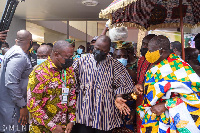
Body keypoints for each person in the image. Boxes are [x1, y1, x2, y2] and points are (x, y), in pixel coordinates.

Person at [72, 35, 142, 133]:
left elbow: (122, 84)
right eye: (96, 48)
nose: (98, 52)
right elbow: (72, 82)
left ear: (108, 50)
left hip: (105, 113)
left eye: (103, 51)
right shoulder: (80, 62)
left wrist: (118, 97)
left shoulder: (115, 65)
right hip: (84, 111)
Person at [137, 35, 200, 132]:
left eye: (150, 51)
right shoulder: (157, 66)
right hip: (154, 119)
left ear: (161, 51)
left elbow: (195, 97)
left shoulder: (180, 67)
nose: (148, 54)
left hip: (173, 121)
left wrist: (166, 104)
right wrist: (142, 87)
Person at [27, 40, 76, 133]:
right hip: (42, 129)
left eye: (71, 56)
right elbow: (32, 104)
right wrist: (52, 127)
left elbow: (72, 95)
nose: (70, 59)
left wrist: (71, 120)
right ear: (56, 55)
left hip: (63, 127)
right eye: (67, 57)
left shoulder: (68, 70)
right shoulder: (40, 72)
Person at [0, 30, 33, 132]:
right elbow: (11, 83)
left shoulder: (12, 51)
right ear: (30, 42)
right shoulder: (19, 56)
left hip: (10, 106)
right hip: (14, 108)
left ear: (16, 40)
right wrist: (22, 105)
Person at [135, 34, 156, 133]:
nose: (144, 46)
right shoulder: (141, 60)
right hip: (139, 98)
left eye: (147, 45)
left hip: (151, 100)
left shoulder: (158, 62)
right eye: (143, 43)